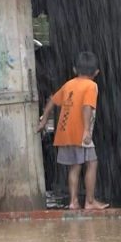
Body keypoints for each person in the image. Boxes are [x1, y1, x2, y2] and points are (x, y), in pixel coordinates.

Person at [36, 51, 109, 210]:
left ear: (75, 70)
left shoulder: (69, 84)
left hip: (64, 133)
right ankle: (89, 202)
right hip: (80, 133)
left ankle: (73, 202)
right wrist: (87, 132)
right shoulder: (91, 86)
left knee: (74, 167)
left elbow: (52, 101)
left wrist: (43, 121)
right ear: (96, 72)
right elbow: (87, 108)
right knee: (92, 163)